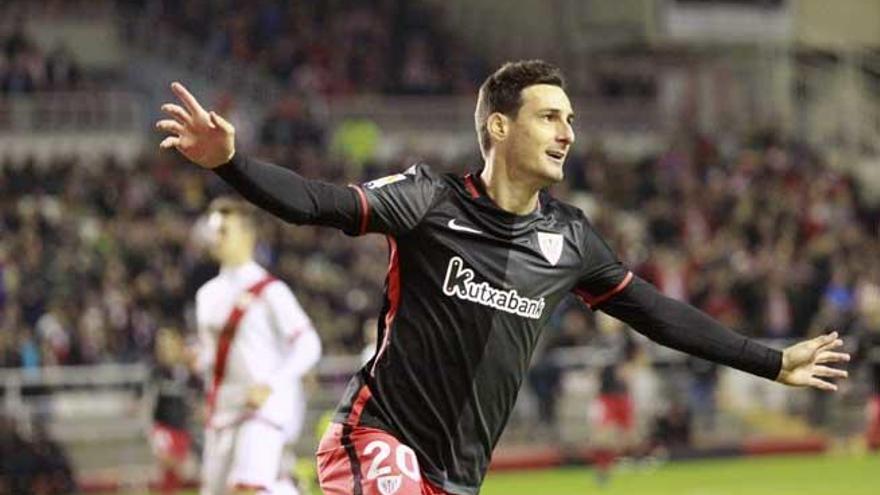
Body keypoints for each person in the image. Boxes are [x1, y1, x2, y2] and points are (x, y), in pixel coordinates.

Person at [156, 60, 851, 495]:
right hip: (377, 438)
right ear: (499, 125)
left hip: (458, 474)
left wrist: (772, 359)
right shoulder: (430, 199)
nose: (568, 131)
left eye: (571, 119)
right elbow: (318, 202)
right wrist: (230, 162)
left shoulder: (571, 237)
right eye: (550, 115)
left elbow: (657, 312)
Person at [192, 197, 322, 495]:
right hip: (223, 410)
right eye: (213, 230)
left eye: (224, 229)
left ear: (247, 235)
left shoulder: (270, 290)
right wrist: (196, 360)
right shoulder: (206, 295)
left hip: (262, 408)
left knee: (246, 488)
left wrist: (271, 384)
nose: (216, 237)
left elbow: (309, 344)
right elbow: (214, 358)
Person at [148, 327, 199, 495]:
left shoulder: (185, 372)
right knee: (167, 463)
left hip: (181, 427)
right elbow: (147, 398)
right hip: (163, 426)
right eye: (162, 345)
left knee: (177, 471)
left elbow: (196, 392)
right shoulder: (156, 372)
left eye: (169, 344)